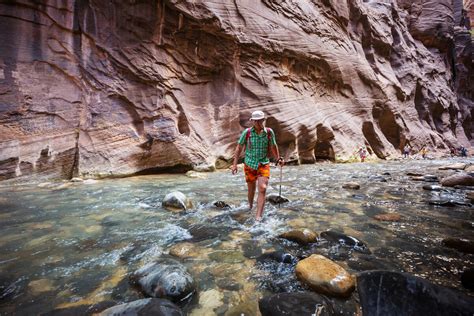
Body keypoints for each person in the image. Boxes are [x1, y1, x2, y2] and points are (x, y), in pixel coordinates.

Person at [231, 110, 284, 221]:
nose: (259, 123)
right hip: (249, 163)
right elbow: (239, 147)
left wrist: (278, 159)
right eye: (256, 121)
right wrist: (235, 164)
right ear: (252, 121)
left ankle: (258, 216)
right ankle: (250, 206)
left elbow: (274, 146)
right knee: (251, 189)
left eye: (260, 120)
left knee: (262, 188)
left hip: (263, 163)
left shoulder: (269, 132)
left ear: (264, 120)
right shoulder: (247, 132)